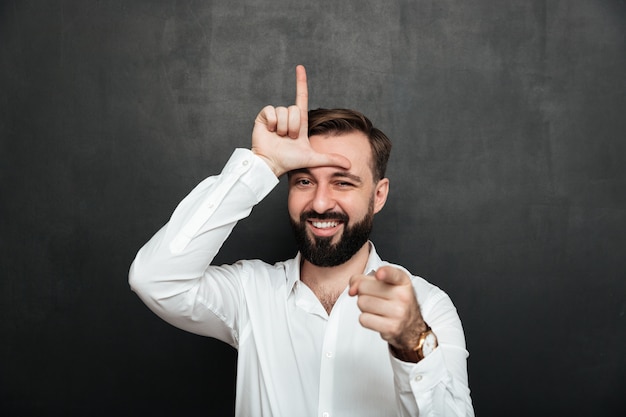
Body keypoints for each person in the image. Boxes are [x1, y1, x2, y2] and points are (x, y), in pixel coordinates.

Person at [129, 65, 473, 416]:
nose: (320, 202)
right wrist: (262, 164)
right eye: (304, 182)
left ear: (379, 195)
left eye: (343, 182)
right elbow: (155, 279)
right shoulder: (250, 293)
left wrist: (413, 344)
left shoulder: (427, 308)